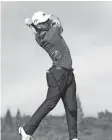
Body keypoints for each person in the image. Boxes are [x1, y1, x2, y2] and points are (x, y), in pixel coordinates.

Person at [19, 11, 78, 140]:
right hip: (58, 74)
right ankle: (26, 129)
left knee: (72, 107)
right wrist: (47, 17)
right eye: (44, 22)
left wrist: (31, 25)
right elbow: (56, 19)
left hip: (68, 73)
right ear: (39, 26)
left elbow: (36, 31)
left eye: (46, 21)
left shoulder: (39, 37)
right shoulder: (53, 34)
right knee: (50, 103)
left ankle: (73, 138)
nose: (47, 22)